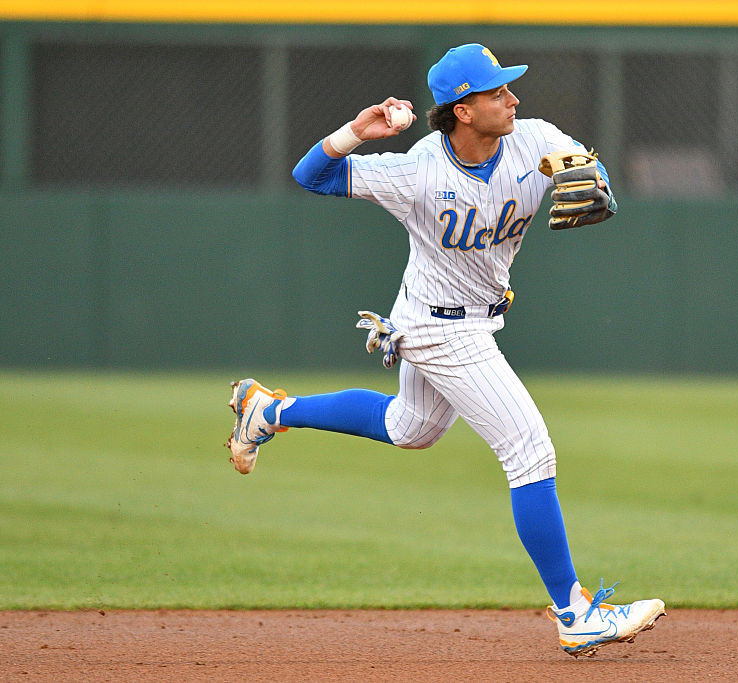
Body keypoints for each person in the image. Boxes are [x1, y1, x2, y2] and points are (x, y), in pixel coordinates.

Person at [226, 43, 664, 658]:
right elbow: (311, 176)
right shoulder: (418, 171)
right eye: (496, 92)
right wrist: (358, 130)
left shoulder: (533, 137)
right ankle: (574, 611)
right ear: (461, 109)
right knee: (528, 447)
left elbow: (588, 172)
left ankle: (268, 412)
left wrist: (597, 181)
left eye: (510, 87)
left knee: (411, 427)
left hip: (472, 321)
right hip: (436, 328)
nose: (512, 98)